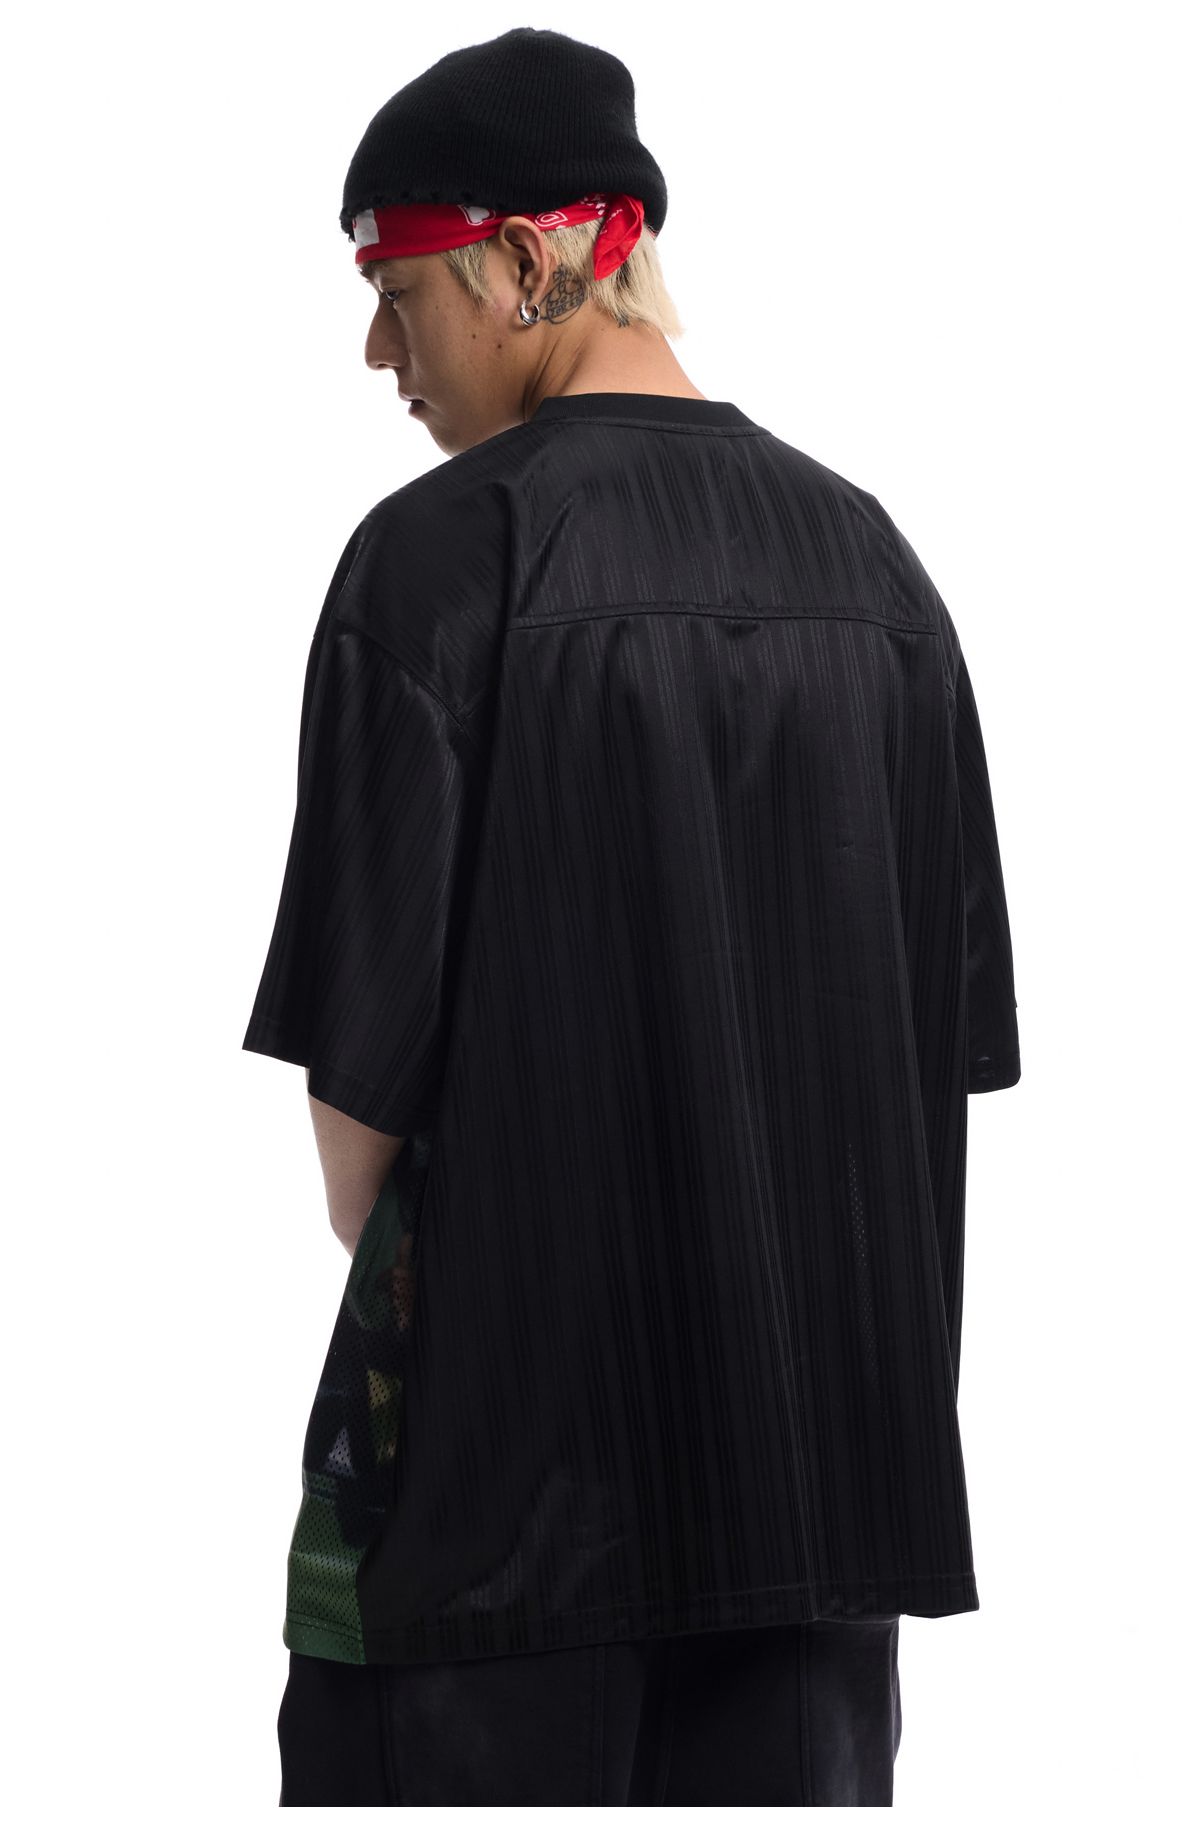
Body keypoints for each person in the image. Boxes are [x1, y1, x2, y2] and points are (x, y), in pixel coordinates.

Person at [243, 26, 1020, 1808]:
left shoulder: (439, 560)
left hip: (492, 1558)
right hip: (822, 1561)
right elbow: (936, 1069)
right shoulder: (881, 570)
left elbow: (359, 1144)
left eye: (396, 293)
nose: (379, 353)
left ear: (524, 262)